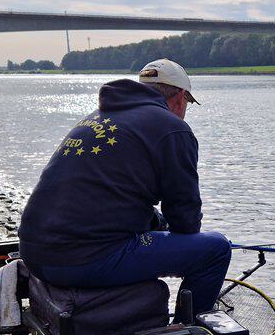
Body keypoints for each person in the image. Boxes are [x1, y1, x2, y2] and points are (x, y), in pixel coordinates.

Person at [18, 59, 230, 314]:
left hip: (34, 251)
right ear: (180, 97)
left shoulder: (97, 117)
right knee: (215, 249)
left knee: (158, 225)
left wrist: (155, 222)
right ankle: (190, 333)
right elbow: (185, 222)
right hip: (80, 260)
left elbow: (107, 196)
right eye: (187, 104)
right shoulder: (173, 130)